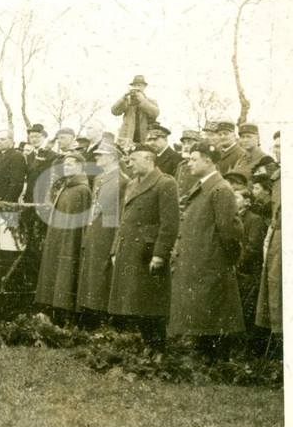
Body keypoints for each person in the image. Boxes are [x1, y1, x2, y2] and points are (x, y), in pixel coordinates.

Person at [168, 142, 245, 363]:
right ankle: (205, 361)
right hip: (201, 265)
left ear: (208, 161)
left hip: (211, 266)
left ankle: (215, 364)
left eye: (194, 159)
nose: (189, 163)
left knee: (213, 319)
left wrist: (224, 261)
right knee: (203, 318)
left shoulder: (220, 189)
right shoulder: (204, 186)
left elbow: (230, 232)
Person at [107, 145, 180, 352]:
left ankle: (158, 348)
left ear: (149, 159)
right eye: (128, 160)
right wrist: (115, 249)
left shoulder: (165, 183)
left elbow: (170, 223)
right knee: (136, 303)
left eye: (134, 159)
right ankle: (149, 345)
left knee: (152, 304)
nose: (129, 164)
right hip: (130, 250)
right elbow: (124, 220)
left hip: (148, 253)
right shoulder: (132, 184)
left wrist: (160, 254)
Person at [76, 140, 130, 328]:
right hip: (96, 229)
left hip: (108, 231)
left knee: (102, 275)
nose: (97, 157)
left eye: (101, 155)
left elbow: (117, 212)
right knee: (92, 274)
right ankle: (90, 316)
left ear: (112, 158)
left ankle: (101, 319)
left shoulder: (121, 180)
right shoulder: (100, 178)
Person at [34, 153, 92, 324]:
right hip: (58, 238)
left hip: (70, 241)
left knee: (67, 275)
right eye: (64, 165)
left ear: (80, 167)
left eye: (69, 165)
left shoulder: (82, 190)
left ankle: (67, 315)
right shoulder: (66, 186)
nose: (65, 168)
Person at [254, 135, 281, 343]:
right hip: (277, 237)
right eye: (276, 147)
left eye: (282, 146)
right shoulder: (278, 177)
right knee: (274, 288)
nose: (277, 150)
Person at [233, 187, 267, 331]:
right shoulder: (230, 219)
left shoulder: (255, 220)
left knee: (244, 309)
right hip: (231, 271)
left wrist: (235, 263)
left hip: (245, 272)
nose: (232, 200)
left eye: (236, 198)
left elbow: (253, 247)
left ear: (247, 202)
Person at [111, 75, 160, 145]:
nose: (137, 87)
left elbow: (155, 113)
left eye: (139, 85)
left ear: (144, 87)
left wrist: (143, 100)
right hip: (127, 138)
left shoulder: (150, 101)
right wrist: (124, 97)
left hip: (144, 138)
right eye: (135, 85)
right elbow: (114, 111)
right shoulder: (128, 101)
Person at [0, 129, 27, 202]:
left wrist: (5, 202)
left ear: (11, 141)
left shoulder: (17, 156)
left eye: (2, 139)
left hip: (5, 202)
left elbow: (16, 183)